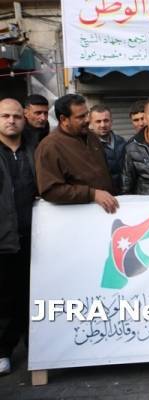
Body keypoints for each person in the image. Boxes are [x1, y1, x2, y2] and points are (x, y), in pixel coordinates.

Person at [0, 99, 37, 375]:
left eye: (16, 116)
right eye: (5, 116)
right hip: (3, 238)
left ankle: (33, 346)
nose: (11, 121)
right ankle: (3, 351)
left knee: (30, 295)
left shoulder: (34, 149)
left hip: (34, 237)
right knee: (4, 298)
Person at [35, 94, 118, 213]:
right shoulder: (49, 146)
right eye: (80, 117)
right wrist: (92, 194)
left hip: (104, 212)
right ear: (64, 119)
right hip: (77, 216)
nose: (87, 120)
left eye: (86, 114)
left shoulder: (92, 136)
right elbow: (50, 191)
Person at [88, 104, 127, 194]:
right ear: (91, 124)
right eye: (98, 121)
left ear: (111, 121)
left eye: (106, 120)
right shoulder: (87, 146)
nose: (103, 125)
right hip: (103, 196)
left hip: (125, 195)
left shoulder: (122, 142)